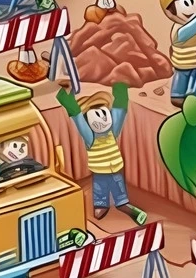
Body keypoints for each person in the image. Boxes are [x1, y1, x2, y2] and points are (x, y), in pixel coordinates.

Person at [56, 83, 146, 224]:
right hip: (99, 170)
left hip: (115, 167)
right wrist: (66, 96)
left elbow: (120, 111)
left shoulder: (112, 132)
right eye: (96, 115)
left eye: (104, 114)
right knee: (100, 189)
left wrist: (120, 86)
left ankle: (123, 204)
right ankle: (101, 204)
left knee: (119, 186)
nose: (103, 119)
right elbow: (77, 117)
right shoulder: (90, 137)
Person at [160, 0, 196, 107]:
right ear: (170, 12)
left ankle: (189, 95)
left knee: (192, 78)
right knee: (181, 78)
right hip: (184, 62)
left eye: (192, 1)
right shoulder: (180, 31)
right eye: (185, 4)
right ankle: (178, 96)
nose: (191, 7)